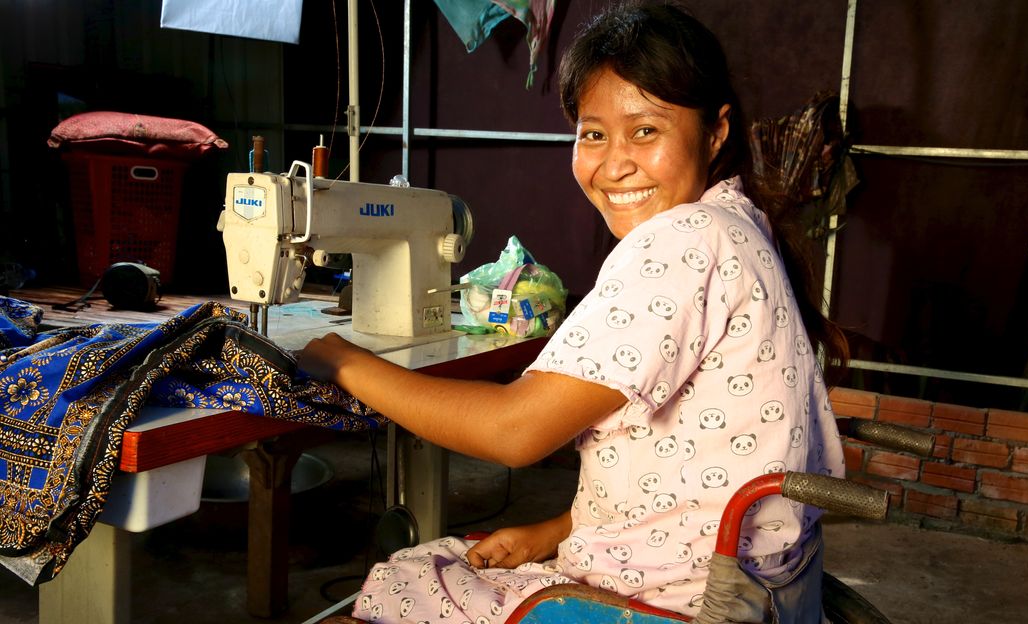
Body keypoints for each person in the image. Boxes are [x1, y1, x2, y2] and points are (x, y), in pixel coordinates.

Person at [297, 2, 848, 622]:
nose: (614, 164)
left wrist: (344, 361)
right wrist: (557, 529)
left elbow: (513, 431)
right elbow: (700, 467)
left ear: (715, 132)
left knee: (396, 586)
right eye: (593, 133)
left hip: (671, 601)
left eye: (646, 130)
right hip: (750, 585)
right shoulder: (739, 221)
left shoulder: (685, 242)